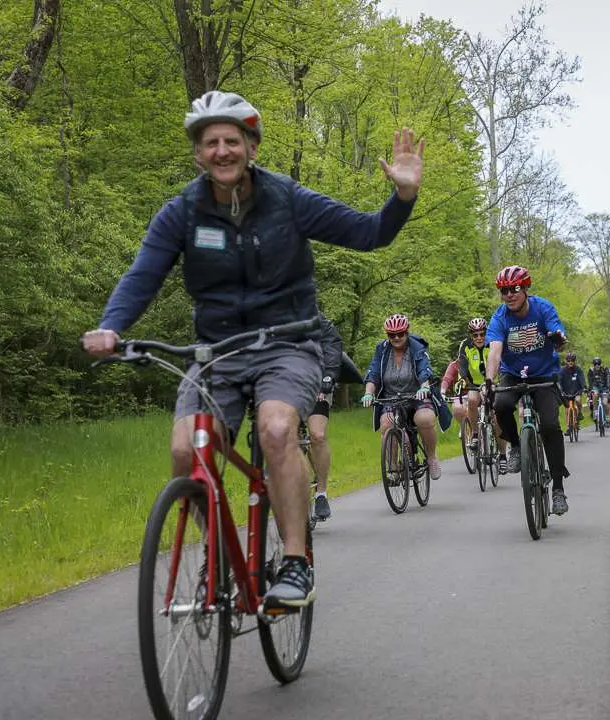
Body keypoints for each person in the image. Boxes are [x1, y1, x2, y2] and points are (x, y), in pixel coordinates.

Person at [81, 90, 424, 610]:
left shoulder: (288, 200)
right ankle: (218, 555)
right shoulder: (181, 214)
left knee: (279, 429)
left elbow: (369, 234)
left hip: (289, 343)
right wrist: (110, 327)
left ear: (251, 147)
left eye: (232, 140)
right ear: (198, 153)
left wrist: (402, 199)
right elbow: (142, 275)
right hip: (215, 352)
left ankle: (293, 562)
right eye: (210, 142)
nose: (221, 150)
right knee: (184, 450)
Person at [484, 266, 570, 515]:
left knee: (551, 426)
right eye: (504, 291)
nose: (509, 295)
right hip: (513, 373)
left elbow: (559, 339)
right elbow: (495, 350)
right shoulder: (500, 316)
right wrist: (490, 381)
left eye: (514, 289)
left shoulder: (543, 308)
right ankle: (514, 447)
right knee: (500, 404)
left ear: (525, 289)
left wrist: (558, 340)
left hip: (544, 373)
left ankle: (558, 489)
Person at [362, 314, 451, 481]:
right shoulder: (382, 350)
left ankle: (431, 457)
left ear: (407, 332)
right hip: (391, 397)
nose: (396, 338)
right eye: (391, 335)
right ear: (387, 335)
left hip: (417, 395)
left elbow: (424, 369)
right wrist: (368, 393)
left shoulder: (416, 347)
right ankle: (393, 469)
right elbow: (373, 374)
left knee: (424, 419)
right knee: (387, 424)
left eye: (400, 334)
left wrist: (424, 387)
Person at [307, 312, 342, 522]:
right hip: (284, 386)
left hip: (317, 383)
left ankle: (321, 493)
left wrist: (329, 374)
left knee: (317, 435)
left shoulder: (316, 319)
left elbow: (332, 343)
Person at [558, 351, 586, 428]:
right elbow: (559, 381)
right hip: (566, 392)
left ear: (574, 361)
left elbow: (582, 380)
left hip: (576, 392)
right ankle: (568, 426)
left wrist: (583, 387)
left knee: (577, 401)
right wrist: (560, 389)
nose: (570, 362)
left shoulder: (578, 369)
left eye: (572, 361)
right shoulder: (562, 370)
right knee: (567, 409)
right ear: (566, 361)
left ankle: (579, 414)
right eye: (569, 361)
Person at [587, 356, 609, 426]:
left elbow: (608, 378)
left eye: (598, 364)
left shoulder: (604, 369)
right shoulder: (591, 370)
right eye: (595, 364)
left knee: (605, 402)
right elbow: (590, 381)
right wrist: (590, 389)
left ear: (600, 364)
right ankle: (596, 411)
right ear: (593, 365)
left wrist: (608, 387)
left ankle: (607, 416)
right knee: (595, 395)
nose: (597, 366)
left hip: (604, 387)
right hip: (595, 387)